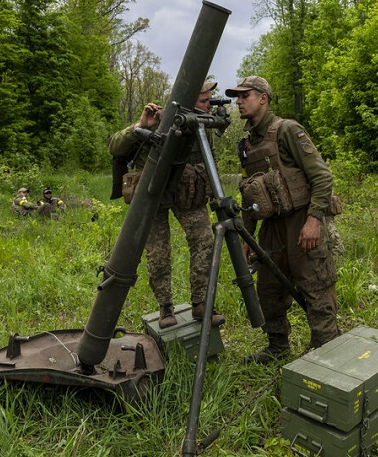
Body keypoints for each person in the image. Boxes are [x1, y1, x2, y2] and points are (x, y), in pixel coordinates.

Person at [226, 76, 340, 364]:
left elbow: (322, 177)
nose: (238, 101)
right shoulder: (246, 144)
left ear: (263, 97)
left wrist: (314, 220)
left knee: (315, 286)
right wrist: (247, 237)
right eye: (236, 97)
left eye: (245, 96)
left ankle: (326, 352)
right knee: (269, 290)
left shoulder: (288, 130)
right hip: (271, 228)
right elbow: (248, 193)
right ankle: (278, 347)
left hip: (301, 220)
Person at [109, 81, 224, 329]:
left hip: (188, 192)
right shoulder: (159, 117)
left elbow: (209, 156)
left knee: (204, 241)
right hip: (153, 194)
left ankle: (201, 303)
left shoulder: (203, 121)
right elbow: (115, 146)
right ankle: (165, 305)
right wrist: (141, 125)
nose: (209, 105)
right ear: (190, 100)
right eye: (204, 101)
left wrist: (215, 192)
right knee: (158, 253)